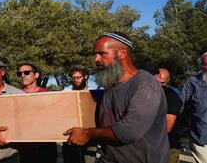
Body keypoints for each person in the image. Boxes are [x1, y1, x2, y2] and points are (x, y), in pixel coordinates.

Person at [64, 32, 169, 163]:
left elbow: (128, 131)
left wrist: (87, 133)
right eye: (95, 54)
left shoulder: (145, 85)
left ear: (122, 54)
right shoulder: (110, 85)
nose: (96, 59)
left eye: (102, 53)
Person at [16, 63, 58, 163]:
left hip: (46, 147)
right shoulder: (14, 96)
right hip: (23, 149)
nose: (22, 75)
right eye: (19, 73)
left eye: (26, 72)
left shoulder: (48, 95)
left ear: (36, 75)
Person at [63, 67, 97, 163]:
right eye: (74, 77)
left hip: (89, 135)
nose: (77, 79)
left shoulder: (93, 93)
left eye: (79, 77)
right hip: (70, 135)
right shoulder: (66, 93)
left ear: (85, 77)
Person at [155, 68, 183, 163]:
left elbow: (167, 127)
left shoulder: (172, 96)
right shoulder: (144, 92)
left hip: (168, 146)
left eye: (161, 83)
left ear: (167, 80)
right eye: (156, 76)